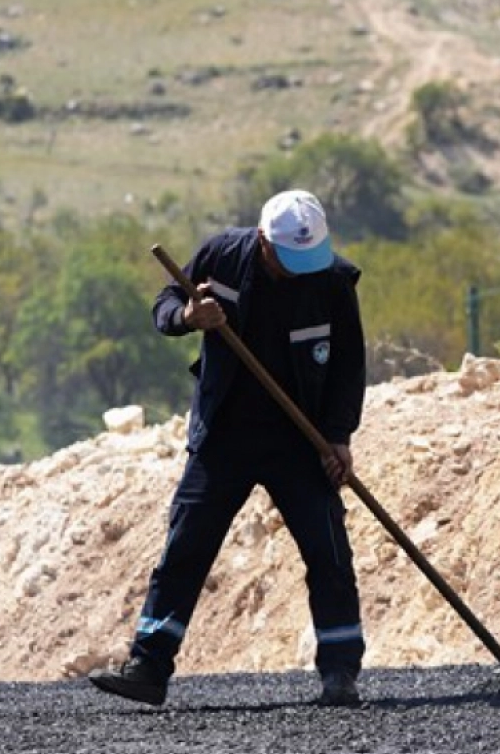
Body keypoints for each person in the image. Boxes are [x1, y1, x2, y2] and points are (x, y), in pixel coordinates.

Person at [90, 190, 369, 708]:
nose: (299, 271)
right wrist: (190, 318)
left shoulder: (331, 282)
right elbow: (164, 306)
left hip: (298, 436)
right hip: (224, 433)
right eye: (289, 259)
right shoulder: (220, 256)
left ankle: (340, 673)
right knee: (186, 545)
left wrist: (338, 436)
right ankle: (149, 666)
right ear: (263, 241)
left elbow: (349, 365)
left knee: (327, 548)